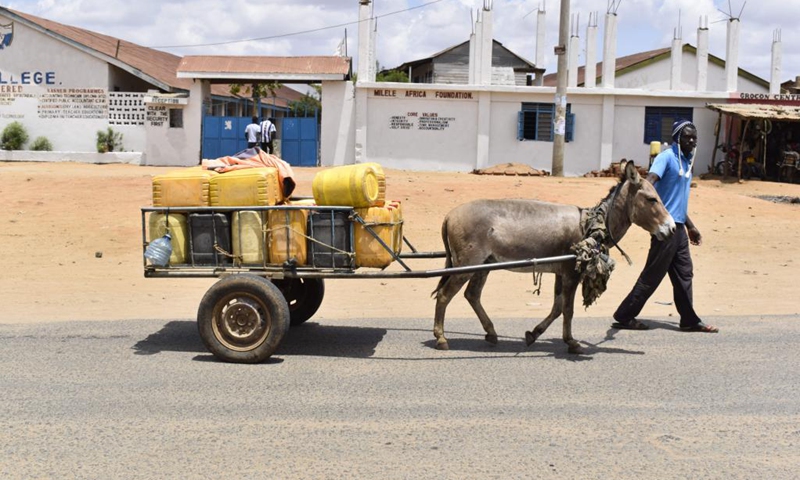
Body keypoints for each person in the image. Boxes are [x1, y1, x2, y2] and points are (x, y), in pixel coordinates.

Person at [612, 120, 719, 333]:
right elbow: (649, 183)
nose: (691, 140)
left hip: (678, 228)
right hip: (664, 228)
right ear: (677, 138)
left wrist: (691, 226)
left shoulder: (687, 163)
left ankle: (689, 320)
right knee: (653, 275)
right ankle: (624, 315)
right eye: (687, 137)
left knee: (684, 274)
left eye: (694, 137)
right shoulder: (666, 158)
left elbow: (677, 200)